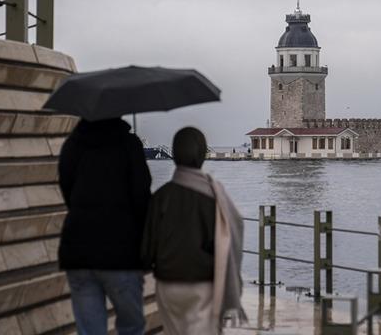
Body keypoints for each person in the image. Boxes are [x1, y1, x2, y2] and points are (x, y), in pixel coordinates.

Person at [141, 127, 246, 334]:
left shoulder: (161, 197)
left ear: (174, 154)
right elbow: (231, 234)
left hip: (167, 284)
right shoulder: (213, 197)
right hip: (202, 285)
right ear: (202, 155)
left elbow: (146, 248)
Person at [58, 118, 151, 335]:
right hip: (121, 253)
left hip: (78, 251)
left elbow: (68, 191)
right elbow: (142, 197)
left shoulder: (72, 145)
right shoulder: (129, 145)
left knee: (89, 330)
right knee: (131, 327)